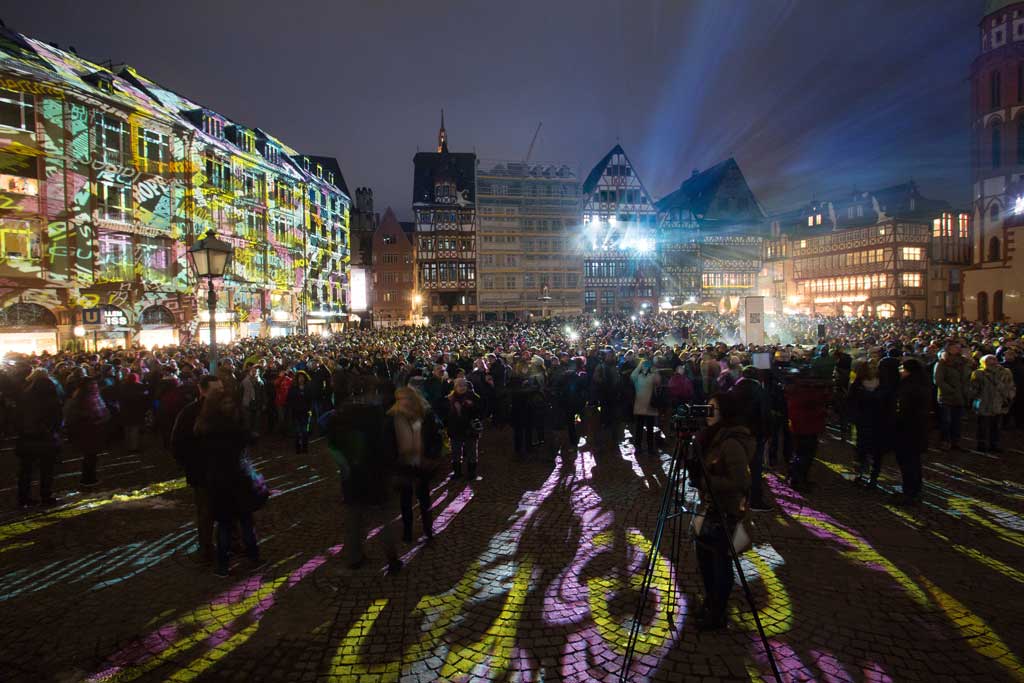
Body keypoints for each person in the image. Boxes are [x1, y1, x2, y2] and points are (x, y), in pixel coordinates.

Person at [325, 375, 402, 573]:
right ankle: (392, 559)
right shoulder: (376, 416)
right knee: (384, 518)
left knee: (354, 518)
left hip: (351, 475)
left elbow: (332, 445)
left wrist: (345, 466)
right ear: (371, 393)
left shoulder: (340, 414)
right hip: (375, 474)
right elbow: (385, 447)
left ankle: (354, 557)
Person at [693, 391, 752, 631]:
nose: (708, 414)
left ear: (725, 413)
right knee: (704, 556)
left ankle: (718, 611)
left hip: (725, 511)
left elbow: (741, 483)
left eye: (713, 409)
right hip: (708, 508)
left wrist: (707, 482)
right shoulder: (713, 436)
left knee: (721, 561)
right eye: (706, 408)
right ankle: (710, 600)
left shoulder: (731, 442)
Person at [194, 387, 261, 577]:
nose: (229, 405)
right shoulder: (223, 427)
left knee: (239, 522)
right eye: (225, 403)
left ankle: (245, 559)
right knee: (230, 523)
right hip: (227, 478)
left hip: (225, 477)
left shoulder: (208, 425)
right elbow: (247, 440)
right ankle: (228, 564)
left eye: (230, 402)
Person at [171, 375, 222, 564]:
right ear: (203, 390)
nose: (220, 393)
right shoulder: (189, 413)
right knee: (206, 512)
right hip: (202, 472)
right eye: (216, 390)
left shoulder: (225, 410)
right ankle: (206, 548)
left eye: (221, 389)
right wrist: (190, 464)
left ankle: (229, 544)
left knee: (227, 509)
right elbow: (178, 443)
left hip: (224, 470)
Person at [389, 386, 434, 543]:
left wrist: (430, 456)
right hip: (403, 465)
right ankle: (407, 531)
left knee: (424, 500)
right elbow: (389, 443)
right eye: (399, 399)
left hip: (421, 463)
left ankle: (428, 530)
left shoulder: (425, 415)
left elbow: (434, 437)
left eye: (405, 398)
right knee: (405, 501)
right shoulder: (393, 417)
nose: (402, 402)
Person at [15, 369, 62, 508]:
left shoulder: (25, 393)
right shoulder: (50, 393)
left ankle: (23, 497)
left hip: (27, 437)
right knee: (46, 469)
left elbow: (17, 416)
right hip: (45, 437)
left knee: (26, 471)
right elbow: (57, 416)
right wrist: (53, 430)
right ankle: (45, 495)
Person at [730, 367, 771, 511]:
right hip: (754, 434)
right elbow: (764, 414)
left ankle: (736, 497)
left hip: (737, 433)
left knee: (737, 465)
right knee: (755, 468)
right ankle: (755, 500)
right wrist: (766, 432)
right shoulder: (760, 391)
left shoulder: (734, 389)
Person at [785, 377, 830, 492]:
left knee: (801, 453)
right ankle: (798, 479)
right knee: (805, 455)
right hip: (807, 427)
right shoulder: (808, 393)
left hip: (800, 426)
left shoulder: (796, 391)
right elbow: (816, 406)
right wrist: (822, 412)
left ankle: (797, 477)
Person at [894, 358, 930, 504]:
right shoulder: (922, 383)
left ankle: (910, 492)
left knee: (908, 461)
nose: (900, 372)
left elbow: (904, 410)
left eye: (902, 369)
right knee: (913, 461)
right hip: (917, 428)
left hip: (908, 429)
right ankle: (914, 490)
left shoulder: (909, 387)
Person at [64, 378, 110, 487]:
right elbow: (79, 416)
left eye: (95, 384)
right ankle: (88, 478)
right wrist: (95, 419)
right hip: (89, 430)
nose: (95, 386)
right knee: (90, 455)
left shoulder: (94, 396)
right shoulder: (81, 399)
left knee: (92, 455)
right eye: (92, 385)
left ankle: (90, 476)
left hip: (95, 428)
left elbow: (103, 410)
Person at [847, 361, 886, 488]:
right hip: (862, 420)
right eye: (871, 367)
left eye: (875, 367)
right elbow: (851, 400)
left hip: (878, 420)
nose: (873, 369)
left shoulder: (883, 383)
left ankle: (873, 476)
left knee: (876, 450)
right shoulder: (858, 383)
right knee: (861, 448)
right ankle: (859, 473)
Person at [970, 354, 1016, 453]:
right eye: (989, 359)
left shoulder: (1005, 372)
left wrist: (1009, 396)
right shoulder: (979, 373)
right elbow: (974, 388)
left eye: (993, 359)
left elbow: (1010, 385)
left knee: (996, 426)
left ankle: (995, 444)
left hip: (999, 402)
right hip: (984, 402)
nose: (992, 361)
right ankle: (982, 444)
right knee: (983, 426)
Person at [443, 377, 483, 480]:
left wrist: (472, 406)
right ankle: (457, 472)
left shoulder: (473, 396)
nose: (462, 387)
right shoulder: (449, 398)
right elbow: (446, 415)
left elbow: (481, 410)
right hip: (456, 429)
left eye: (464, 385)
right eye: (459, 385)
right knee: (456, 452)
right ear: (455, 387)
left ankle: (472, 473)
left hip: (470, 429)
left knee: (472, 451)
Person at [934, 342, 971, 451]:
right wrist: (952, 390)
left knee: (957, 421)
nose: (958, 349)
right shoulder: (942, 363)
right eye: (955, 347)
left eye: (959, 347)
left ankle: (955, 442)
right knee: (946, 421)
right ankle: (945, 442)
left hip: (960, 396)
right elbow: (938, 380)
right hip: (947, 396)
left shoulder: (963, 363)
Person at [631, 357, 660, 454]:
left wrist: (654, 369)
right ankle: (639, 447)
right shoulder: (637, 376)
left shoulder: (652, 375)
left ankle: (650, 447)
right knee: (639, 428)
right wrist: (640, 365)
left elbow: (658, 380)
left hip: (649, 405)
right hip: (640, 405)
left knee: (649, 428)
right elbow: (632, 376)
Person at [117, 372, 149, 455]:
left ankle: (127, 445)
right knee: (134, 429)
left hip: (125, 409)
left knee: (127, 428)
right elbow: (145, 395)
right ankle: (133, 447)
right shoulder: (139, 386)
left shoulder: (123, 386)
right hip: (135, 410)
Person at [287, 371, 313, 453]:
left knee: (305, 431)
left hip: (306, 412)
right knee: (297, 431)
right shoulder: (293, 388)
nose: (301, 379)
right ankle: (298, 447)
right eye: (299, 377)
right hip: (296, 412)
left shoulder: (308, 388)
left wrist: (310, 409)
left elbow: (311, 400)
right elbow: (290, 400)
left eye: (302, 377)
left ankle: (305, 447)